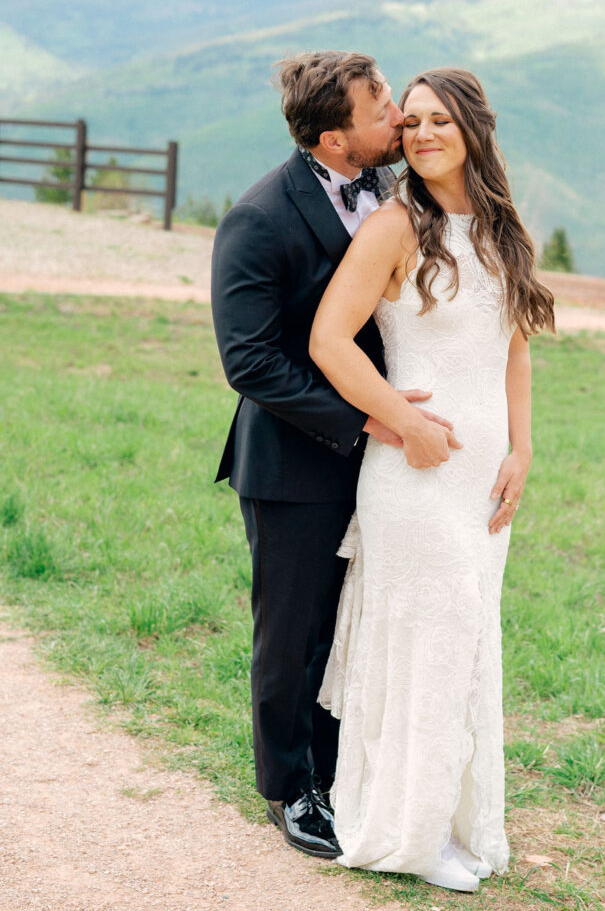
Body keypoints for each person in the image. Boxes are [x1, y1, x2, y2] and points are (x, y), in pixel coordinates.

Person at [310, 68, 556, 891]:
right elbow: (329, 341)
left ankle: (453, 821)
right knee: (427, 644)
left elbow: (515, 345)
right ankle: (409, 834)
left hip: (484, 481)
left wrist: (522, 449)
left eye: (438, 121)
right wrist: (405, 422)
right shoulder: (393, 226)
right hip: (413, 479)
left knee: (466, 643)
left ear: (475, 129)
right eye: (409, 123)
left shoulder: (500, 227)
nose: (420, 135)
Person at [210, 51, 459, 861]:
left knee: (354, 622)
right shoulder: (259, 218)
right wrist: (364, 422)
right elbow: (248, 361)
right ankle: (288, 792)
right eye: (379, 105)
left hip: (385, 459)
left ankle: (340, 770)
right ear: (333, 138)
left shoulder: (392, 193)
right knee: (294, 632)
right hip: (294, 463)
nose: (396, 113)